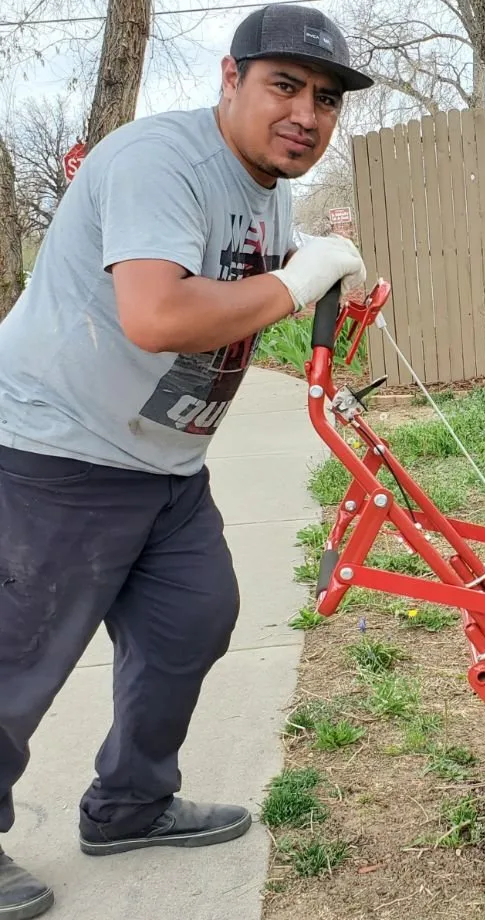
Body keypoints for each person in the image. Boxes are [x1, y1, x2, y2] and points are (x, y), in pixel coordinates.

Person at [0, 5, 373, 917]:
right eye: (284, 85)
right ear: (229, 78)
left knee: (193, 621)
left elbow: (242, 290)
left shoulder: (266, 187)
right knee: (20, 657)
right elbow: (158, 315)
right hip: (56, 449)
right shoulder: (157, 160)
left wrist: (316, 278)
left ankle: (130, 804)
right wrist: (293, 281)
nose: (307, 114)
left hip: (164, 462)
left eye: (325, 99)